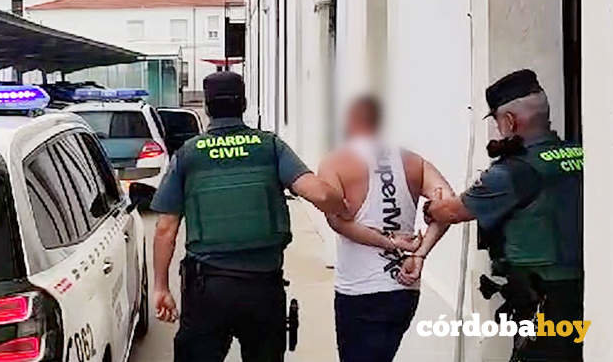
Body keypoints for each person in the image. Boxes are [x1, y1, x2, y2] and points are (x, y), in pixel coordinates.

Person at [150, 71, 347, 362]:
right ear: (243, 103)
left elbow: (165, 229)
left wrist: (161, 286)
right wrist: (344, 205)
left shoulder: (188, 154)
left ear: (207, 107)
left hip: (207, 290)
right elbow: (319, 195)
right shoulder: (270, 146)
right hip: (262, 288)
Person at [425, 69, 584, 362]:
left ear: (509, 121)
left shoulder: (510, 173)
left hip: (544, 298)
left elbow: (452, 211)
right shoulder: (579, 154)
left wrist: (431, 206)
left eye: (498, 122)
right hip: (582, 290)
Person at [319, 96, 455, 362]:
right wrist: (420, 254)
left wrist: (390, 243)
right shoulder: (414, 161)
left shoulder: (335, 162)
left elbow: (336, 220)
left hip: (359, 290)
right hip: (404, 291)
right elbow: (448, 205)